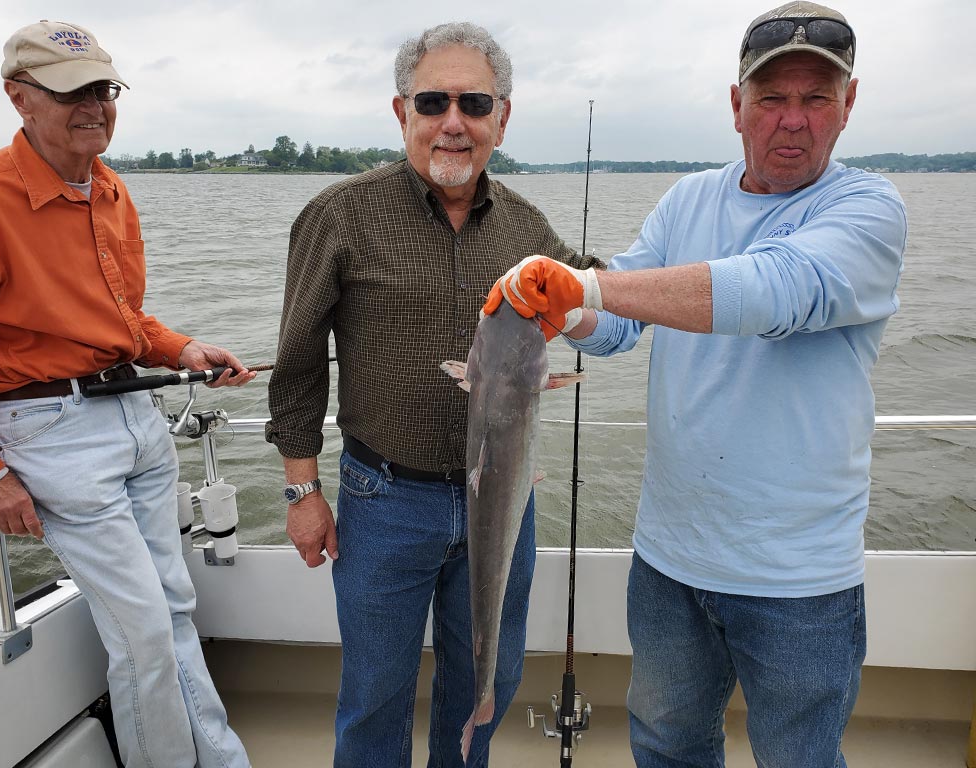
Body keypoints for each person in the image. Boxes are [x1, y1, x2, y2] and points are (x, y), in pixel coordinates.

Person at [485, 3, 907, 766]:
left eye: (817, 98)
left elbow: (773, 291)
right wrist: (550, 306)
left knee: (800, 756)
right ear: (736, 106)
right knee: (667, 744)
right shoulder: (688, 200)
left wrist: (587, 286)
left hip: (799, 579)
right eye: (772, 97)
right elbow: (613, 328)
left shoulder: (867, 208)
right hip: (670, 561)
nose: (793, 119)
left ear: (848, 107)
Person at [266, 21, 602, 767]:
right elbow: (295, 366)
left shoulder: (528, 224)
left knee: (489, 680)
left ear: (502, 118)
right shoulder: (339, 215)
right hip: (384, 499)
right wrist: (302, 493)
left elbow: (597, 296)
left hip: (506, 499)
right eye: (433, 101)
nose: (454, 122)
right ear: (401, 113)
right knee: (376, 693)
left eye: (475, 103)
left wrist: (657, 289)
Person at [0, 21, 253, 768]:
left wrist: (181, 348)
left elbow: (120, 320)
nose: (93, 106)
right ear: (18, 98)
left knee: (175, 613)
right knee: (143, 629)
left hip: (137, 422)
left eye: (102, 88)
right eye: (69, 91)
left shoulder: (111, 188)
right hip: (49, 432)